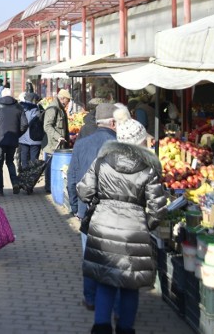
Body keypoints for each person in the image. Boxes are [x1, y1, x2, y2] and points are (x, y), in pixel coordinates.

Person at [76, 112, 166, 334]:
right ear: (139, 140)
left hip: (102, 226)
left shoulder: (102, 161)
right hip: (134, 230)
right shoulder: (149, 169)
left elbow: (84, 190)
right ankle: (125, 329)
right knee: (129, 286)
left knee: (105, 282)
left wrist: (99, 204)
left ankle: (101, 327)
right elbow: (157, 208)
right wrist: (147, 224)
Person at [67, 103, 119, 311]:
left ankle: (90, 298)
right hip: (112, 211)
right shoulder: (119, 145)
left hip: (86, 209)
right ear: (113, 122)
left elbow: (72, 177)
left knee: (90, 258)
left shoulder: (82, 143)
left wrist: (75, 206)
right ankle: (114, 306)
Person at [0, 88, 28, 195]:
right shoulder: (18, 106)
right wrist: (18, 134)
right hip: (13, 139)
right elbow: (25, 124)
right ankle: (15, 183)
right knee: (10, 162)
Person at [42, 89, 71, 193]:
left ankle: (54, 186)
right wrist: (58, 136)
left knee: (56, 166)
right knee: (50, 167)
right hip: (53, 145)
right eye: (68, 100)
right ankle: (49, 187)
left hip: (59, 145)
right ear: (62, 98)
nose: (68, 103)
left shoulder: (60, 108)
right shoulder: (53, 108)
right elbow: (47, 126)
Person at [18, 92, 43, 171]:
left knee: (24, 157)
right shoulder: (37, 110)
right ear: (33, 100)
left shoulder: (20, 108)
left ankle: (23, 175)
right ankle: (31, 176)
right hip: (35, 138)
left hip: (22, 137)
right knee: (34, 160)